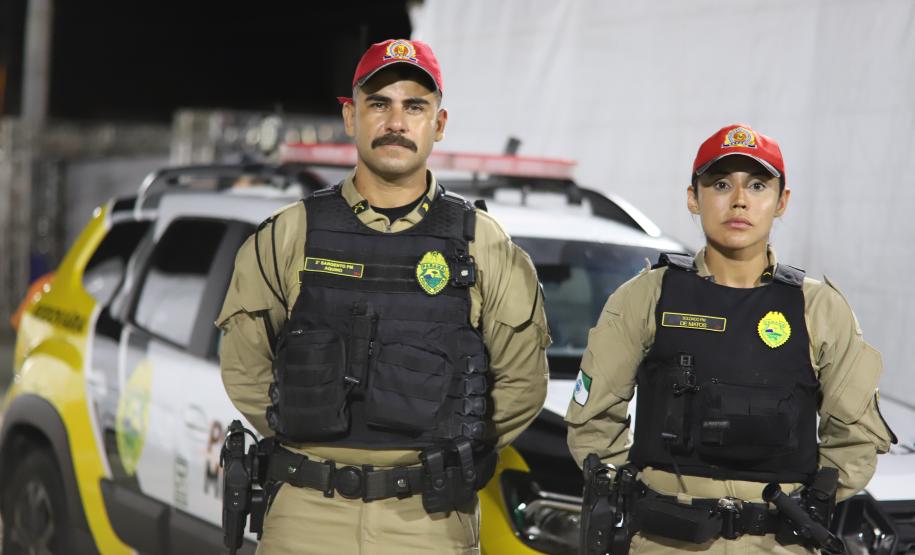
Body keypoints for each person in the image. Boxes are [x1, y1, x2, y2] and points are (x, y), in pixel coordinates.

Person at [216, 38, 549, 555]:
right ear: (351, 117)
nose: (396, 122)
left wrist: (453, 444)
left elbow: (522, 383)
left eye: (414, 106)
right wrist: (306, 428)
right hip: (305, 513)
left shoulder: (484, 245)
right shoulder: (289, 235)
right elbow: (244, 365)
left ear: (439, 123)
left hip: (429, 520)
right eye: (379, 104)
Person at [567, 123, 896, 554]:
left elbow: (855, 437)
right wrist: (636, 492)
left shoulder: (819, 309)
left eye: (757, 185)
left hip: (780, 544)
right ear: (693, 197)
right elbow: (591, 421)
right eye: (721, 184)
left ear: (782, 201)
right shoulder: (646, 296)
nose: (739, 200)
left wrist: (808, 505)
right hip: (665, 540)